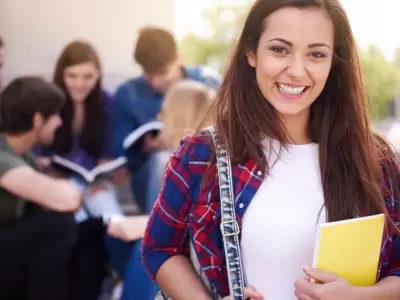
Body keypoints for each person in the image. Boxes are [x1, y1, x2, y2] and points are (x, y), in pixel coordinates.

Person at [142, 0, 400, 300]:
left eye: (316, 54)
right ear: (251, 53)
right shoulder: (203, 155)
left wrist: (359, 296)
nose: (297, 71)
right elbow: (160, 248)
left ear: (334, 62)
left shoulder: (374, 158)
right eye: (280, 49)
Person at [105, 79, 215, 300]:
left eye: (164, 112)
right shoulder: (173, 158)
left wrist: (144, 224)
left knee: (144, 248)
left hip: (202, 254)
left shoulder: (197, 161)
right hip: (186, 247)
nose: (158, 119)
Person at [33, 40, 118, 300]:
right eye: (73, 76)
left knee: (112, 219)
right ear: (62, 74)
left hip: (95, 182)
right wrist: (48, 168)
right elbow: (37, 154)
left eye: (88, 76)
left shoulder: (105, 102)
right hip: (57, 182)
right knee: (76, 222)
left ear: (98, 75)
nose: (80, 83)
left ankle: (118, 280)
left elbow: (107, 155)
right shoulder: (48, 103)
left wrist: (105, 170)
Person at [113, 26, 221, 214]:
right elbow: (121, 154)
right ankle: (158, 230)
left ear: (178, 57)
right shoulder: (128, 94)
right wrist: (147, 146)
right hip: (152, 176)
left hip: (206, 165)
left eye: (162, 72)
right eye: (148, 73)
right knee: (163, 159)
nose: (155, 82)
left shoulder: (207, 82)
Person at [0, 76, 81, 300]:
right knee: (59, 225)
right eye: (55, 115)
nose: (60, 122)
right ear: (37, 120)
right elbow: (68, 201)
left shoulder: (23, 154)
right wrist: (64, 187)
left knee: (90, 230)